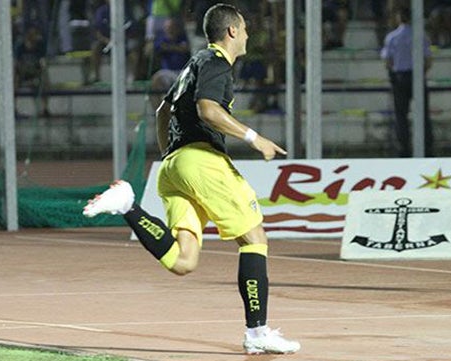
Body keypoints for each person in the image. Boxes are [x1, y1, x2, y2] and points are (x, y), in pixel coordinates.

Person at [82, 3, 300, 355]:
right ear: (231, 31)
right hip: (202, 161)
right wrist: (253, 138)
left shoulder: (194, 63)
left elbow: (162, 110)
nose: (246, 34)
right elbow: (208, 110)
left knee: (184, 261)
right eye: (243, 28)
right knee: (254, 238)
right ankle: (257, 333)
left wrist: (171, 155)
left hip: (173, 167)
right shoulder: (216, 63)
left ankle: (128, 206)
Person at [380, 6, 434, 157]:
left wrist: (393, 74)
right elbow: (428, 59)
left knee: (401, 115)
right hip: (416, 75)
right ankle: (427, 148)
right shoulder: (420, 35)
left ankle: (403, 149)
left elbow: (387, 61)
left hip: (400, 77)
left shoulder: (392, 37)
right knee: (423, 114)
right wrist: (422, 73)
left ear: (399, 18)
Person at [148, 18, 190, 111]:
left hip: (182, 71)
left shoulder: (182, 37)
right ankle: (159, 112)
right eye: (167, 27)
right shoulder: (161, 39)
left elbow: (185, 49)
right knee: (155, 81)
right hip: (167, 71)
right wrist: (176, 48)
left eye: (171, 27)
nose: (169, 29)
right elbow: (155, 49)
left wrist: (168, 47)